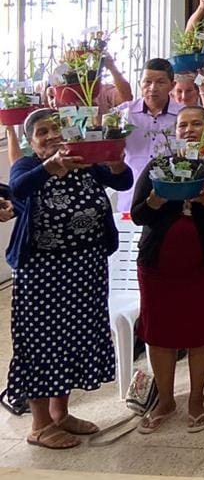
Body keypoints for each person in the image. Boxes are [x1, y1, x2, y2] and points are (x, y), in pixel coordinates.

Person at [5, 108, 131, 448]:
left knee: (74, 340)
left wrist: (116, 163)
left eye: (56, 128)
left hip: (86, 269)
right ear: (31, 142)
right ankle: (40, 425)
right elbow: (18, 189)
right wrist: (50, 167)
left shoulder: (84, 161)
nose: (51, 136)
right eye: (42, 132)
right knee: (41, 344)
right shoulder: (28, 166)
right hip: (42, 274)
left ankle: (61, 413)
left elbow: (123, 181)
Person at [131, 105, 204, 433]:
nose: (189, 130)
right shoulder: (159, 166)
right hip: (158, 265)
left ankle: (197, 399)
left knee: (202, 331)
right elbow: (139, 214)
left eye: (196, 124)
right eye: (183, 125)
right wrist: (155, 202)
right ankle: (165, 400)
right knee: (159, 333)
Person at [112, 56, 180, 209]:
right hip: (131, 196)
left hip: (171, 199)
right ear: (139, 84)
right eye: (147, 82)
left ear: (172, 85)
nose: (153, 88)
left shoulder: (183, 116)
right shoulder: (123, 114)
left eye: (160, 82)